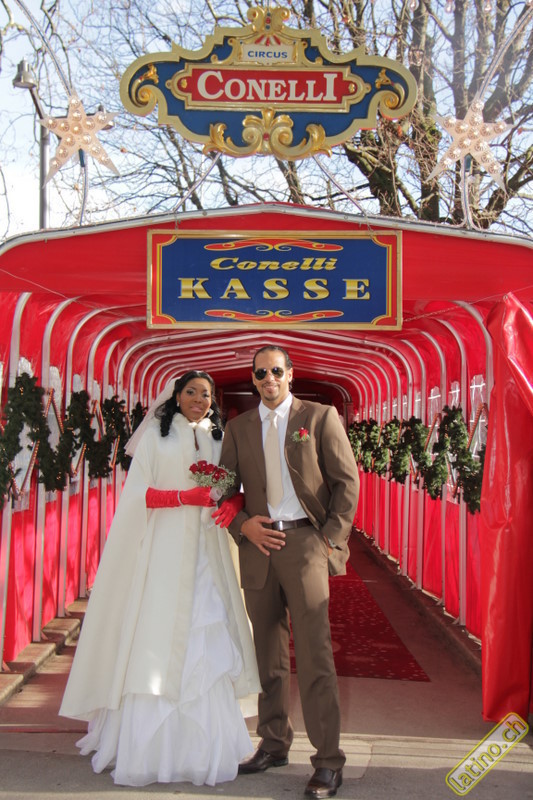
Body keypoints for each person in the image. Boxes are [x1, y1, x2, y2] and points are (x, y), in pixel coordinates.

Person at [59, 370, 260, 787]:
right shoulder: (156, 437)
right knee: (156, 632)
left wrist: (233, 500)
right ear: (176, 396)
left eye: (206, 394)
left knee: (209, 628)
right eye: (191, 392)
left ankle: (206, 746)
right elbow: (138, 495)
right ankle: (149, 746)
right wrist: (183, 497)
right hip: (163, 550)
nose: (199, 400)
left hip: (208, 550)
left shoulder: (219, 438)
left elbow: (237, 483)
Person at [220, 346, 360, 799]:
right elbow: (223, 487)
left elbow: (347, 482)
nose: (269, 379)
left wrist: (328, 540)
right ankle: (274, 743)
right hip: (258, 545)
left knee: (316, 656)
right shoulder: (239, 427)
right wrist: (243, 526)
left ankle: (328, 761)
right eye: (261, 373)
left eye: (276, 371)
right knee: (267, 655)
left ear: (290, 374)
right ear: (253, 378)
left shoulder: (319, 417)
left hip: (305, 544)